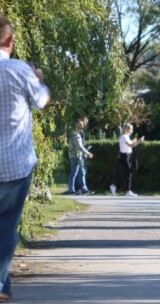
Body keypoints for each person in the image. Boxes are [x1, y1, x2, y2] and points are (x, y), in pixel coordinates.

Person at [0, 15, 51, 303]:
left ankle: (3, 288)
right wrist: (40, 80)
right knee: (6, 225)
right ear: (11, 41)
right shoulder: (19, 70)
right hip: (15, 165)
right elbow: (42, 101)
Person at [110, 123, 144, 197]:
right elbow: (130, 145)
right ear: (127, 129)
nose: (132, 131)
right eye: (131, 129)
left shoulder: (127, 137)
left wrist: (135, 141)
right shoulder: (123, 137)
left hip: (129, 155)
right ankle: (119, 187)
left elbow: (131, 144)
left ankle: (123, 189)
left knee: (129, 173)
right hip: (125, 156)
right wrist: (139, 141)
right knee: (128, 173)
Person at [67, 119, 94, 195]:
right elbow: (79, 147)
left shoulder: (77, 134)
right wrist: (88, 153)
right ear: (76, 125)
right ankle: (71, 190)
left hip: (79, 156)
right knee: (74, 173)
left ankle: (84, 190)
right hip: (75, 156)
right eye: (81, 125)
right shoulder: (74, 135)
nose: (82, 127)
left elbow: (81, 145)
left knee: (82, 173)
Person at [75, 116, 90, 192]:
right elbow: (79, 144)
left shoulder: (81, 131)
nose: (86, 123)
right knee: (81, 171)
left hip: (82, 152)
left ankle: (81, 188)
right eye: (86, 120)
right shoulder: (78, 132)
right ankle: (81, 188)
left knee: (81, 171)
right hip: (80, 153)